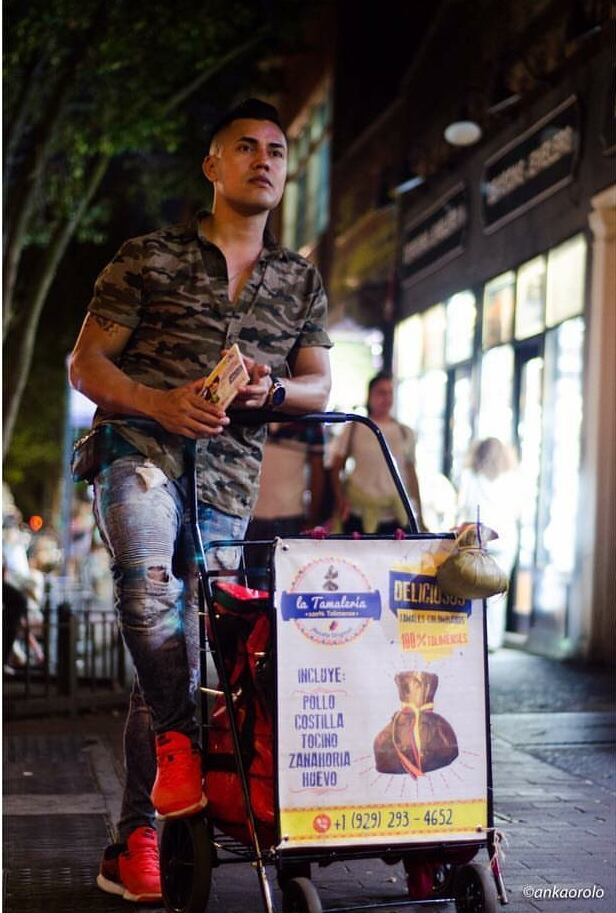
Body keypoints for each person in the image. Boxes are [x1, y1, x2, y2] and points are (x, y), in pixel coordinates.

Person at [68, 97, 331, 903]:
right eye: (245, 147)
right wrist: (158, 401)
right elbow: (86, 366)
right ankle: (182, 741)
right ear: (212, 166)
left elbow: (321, 386)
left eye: (278, 151)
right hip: (138, 453)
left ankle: (131, 842)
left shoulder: (300, 278)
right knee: (148, 588)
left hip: (225, 480)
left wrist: (275, 385)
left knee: (179, 650)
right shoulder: (148, 257)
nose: (264, 160)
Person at [328, 372, 424, 534]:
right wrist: (340, 500)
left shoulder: (405, 432)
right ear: (370, 396)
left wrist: (420, 515)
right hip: (358, 511)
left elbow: (411, 473)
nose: (386, 398)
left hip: (394, 515)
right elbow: (336, 466)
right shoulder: (355, 428)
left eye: (390, 392)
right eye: (381, 392)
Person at [456, 437, 520, 651]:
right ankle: (493, 639)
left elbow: (463, 505)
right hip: (505, 538)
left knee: (473, 587)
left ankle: (474, 636)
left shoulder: (469, 476)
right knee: (498, 589)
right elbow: (518, 509)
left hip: (478, 537)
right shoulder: (512, 478)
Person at [245, 420, 326, 588]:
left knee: (288, 584)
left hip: (290, 519)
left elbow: (318, 473)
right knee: (246, 587)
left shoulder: (310, 422)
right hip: (247, 518)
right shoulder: (248, 412)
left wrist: (313, 518)